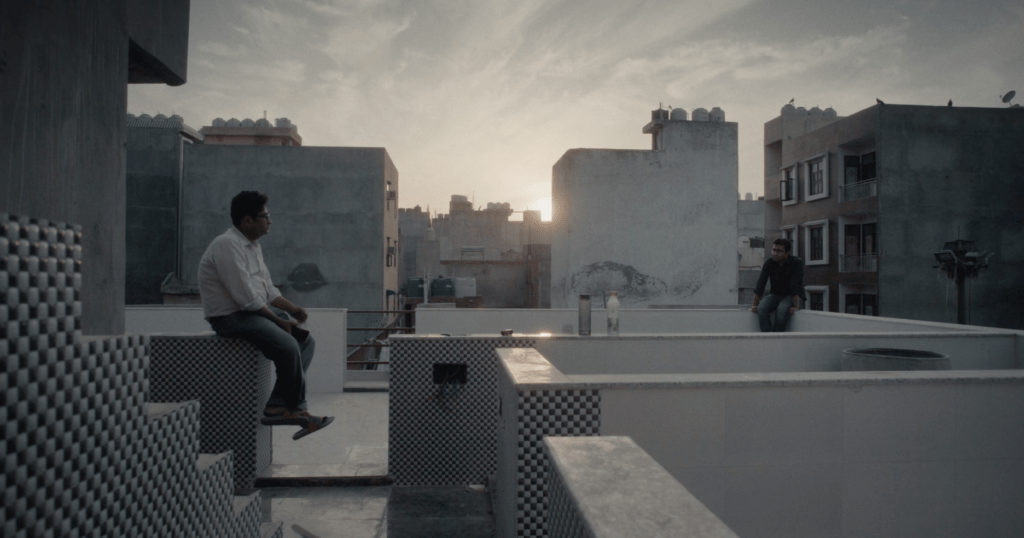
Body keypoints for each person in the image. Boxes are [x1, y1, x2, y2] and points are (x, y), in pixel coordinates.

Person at [198, 191, 333, 440]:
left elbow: (267, 289)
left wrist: (292, 309)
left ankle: (279, 405)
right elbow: (246, 298)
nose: (270, 221)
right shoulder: (227, 244)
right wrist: (279, 320)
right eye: (265, 216)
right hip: (230, 318)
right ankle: (297, 411)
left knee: (306, 342)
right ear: (247, 220)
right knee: (289, 344)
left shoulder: (252, 246)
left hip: (251, 313)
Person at [750, 238, 805, 332]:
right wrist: (754, 305)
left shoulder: (796, 262)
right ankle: (768, 336)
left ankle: (777, 336)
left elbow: (795, 285)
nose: (775, 253)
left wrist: (796, 306)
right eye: (774, 250)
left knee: (781, 310)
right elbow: (761, 283)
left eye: (779, 251)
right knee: (761, 308)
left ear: (787, 252)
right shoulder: (769, 262)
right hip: (775, 295)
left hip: (791, 296)